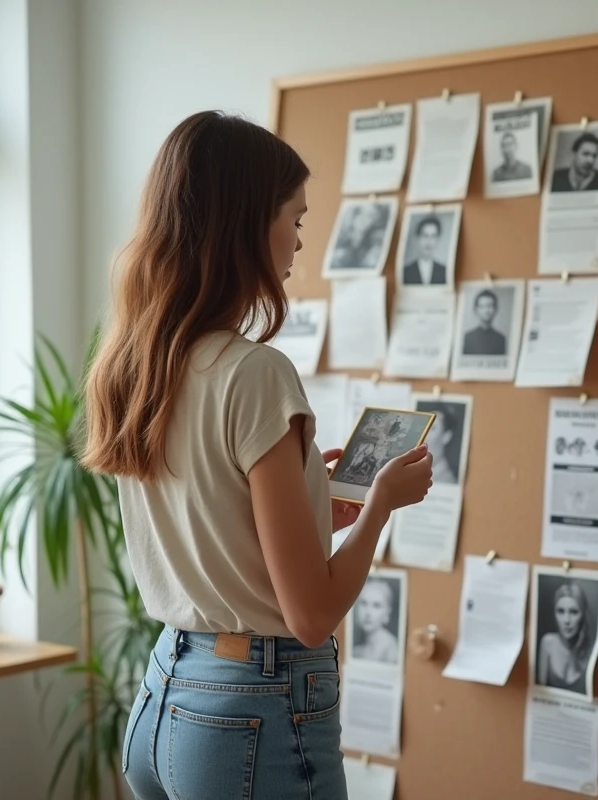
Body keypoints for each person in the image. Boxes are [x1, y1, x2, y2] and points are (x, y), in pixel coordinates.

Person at [82, 111, 433, 800]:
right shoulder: (255, 373)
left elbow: (214, 522)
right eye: (294, 218)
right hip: (252, 711)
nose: (300, 239)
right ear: (245, 223)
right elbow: (311, 616)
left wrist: (311, 504)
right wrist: (379, 507)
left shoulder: (136, 366)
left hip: (165, 696)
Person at [536, 581, 593, 695]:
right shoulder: (548, 643)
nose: (566, 620)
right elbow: (539, 692)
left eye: (574, 612)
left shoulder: (589, 650)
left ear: (583, 615)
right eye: (560, 611)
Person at [330, 201, 389, 271]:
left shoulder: (370, 241)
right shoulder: (342, 239)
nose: (365, 220)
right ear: (355, 215)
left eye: (371, 217)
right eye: (363, 215)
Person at [352, 578, 399, 664]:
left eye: (376, 606)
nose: (368, 613)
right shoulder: (356, 651)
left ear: (387, 613)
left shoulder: (391, 649)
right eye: (364, 603)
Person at [419, 403, 462, 485]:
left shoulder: (447, 482)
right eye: (423, 426)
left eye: (432, 428)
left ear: (446, 436)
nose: (424, 435)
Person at [402, 215, 447, 285]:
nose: (429, 242)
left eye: (433, 236)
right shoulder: (405, 271)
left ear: (437, 240)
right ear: (418, 238)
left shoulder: (444, 271)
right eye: (425, 236)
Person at [461, 289, 506, 355]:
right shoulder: (467, 338)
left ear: (495, 309)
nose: (486, 311)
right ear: (476, 310)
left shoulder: (501, 339)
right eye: (482, 306)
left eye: (489, 306)